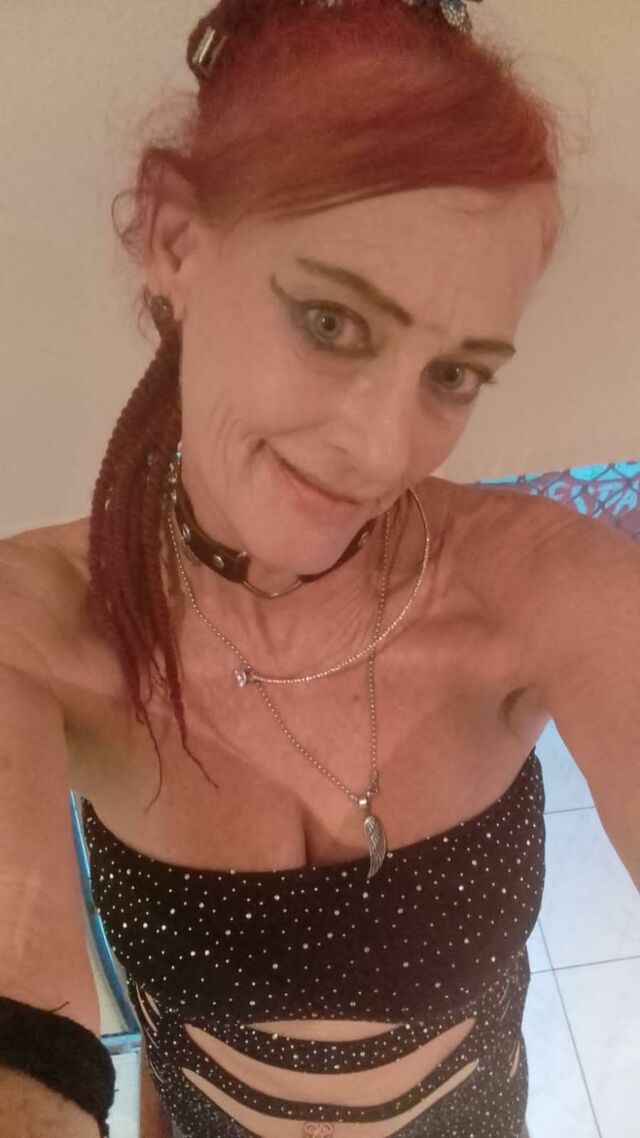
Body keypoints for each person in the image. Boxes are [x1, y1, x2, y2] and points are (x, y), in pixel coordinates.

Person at [0, 1, 574, 1135]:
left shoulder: (537, 592)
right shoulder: (38, 635)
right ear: (174, 240)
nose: (383, 448)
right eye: (331, 321)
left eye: (453, 374)